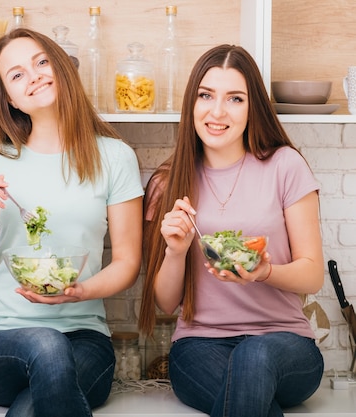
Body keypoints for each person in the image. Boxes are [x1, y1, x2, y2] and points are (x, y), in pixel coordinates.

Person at [0, 28, 144, 417]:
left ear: (61, 67)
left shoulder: (114, 157)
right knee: (46, 345)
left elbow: (128, 262)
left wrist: (81, 291)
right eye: (17, 74)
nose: (35, 75)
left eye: (41, 62)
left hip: (85, 339)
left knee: (40, 393)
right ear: (8, 97)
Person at [138, 44, 324, 417]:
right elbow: (165, 302)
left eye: (235, 99)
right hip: (199, 346)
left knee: (254, 357)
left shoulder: (285, 166)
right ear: (192, 102)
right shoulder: (166, 182)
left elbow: (313, 274)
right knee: (249, 396)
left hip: (285, 343)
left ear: (252, 106)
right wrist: (175, 250)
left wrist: (264, 272)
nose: (217, 111)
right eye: (206, 95)